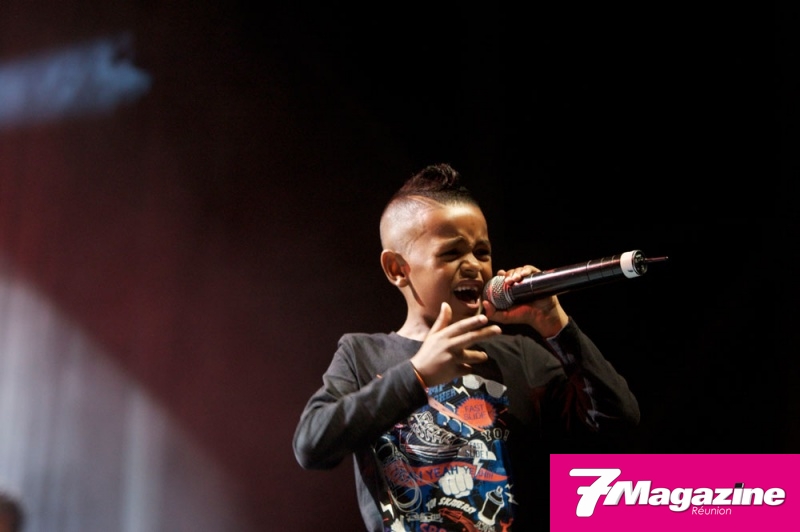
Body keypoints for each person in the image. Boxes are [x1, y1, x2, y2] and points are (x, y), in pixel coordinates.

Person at [292, 163, 640, 531]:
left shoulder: (519, 355)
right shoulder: (363, 355)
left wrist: (555, 323)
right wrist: (416, 375)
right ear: (397, 268)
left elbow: (618, 421)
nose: (473, 265)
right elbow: (312, 445)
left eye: (482, 252)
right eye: (451, 253)